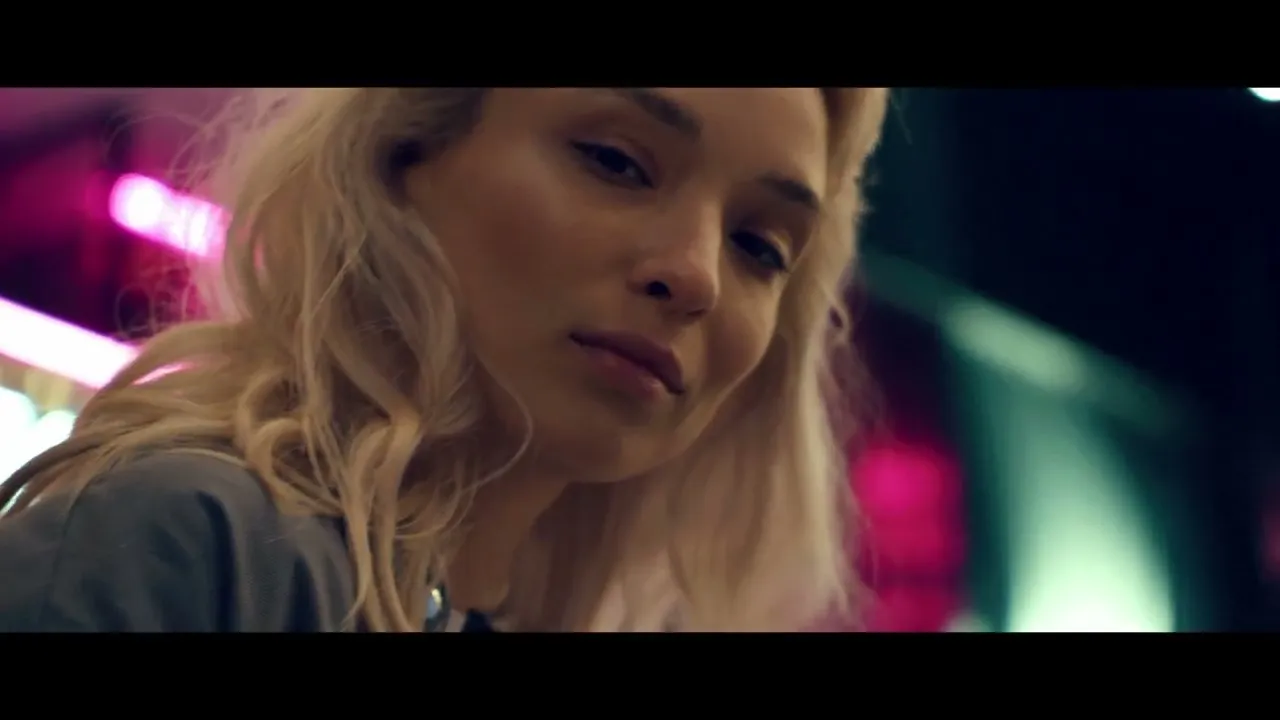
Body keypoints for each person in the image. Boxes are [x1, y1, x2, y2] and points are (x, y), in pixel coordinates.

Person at [0, 88, 889, 632]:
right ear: (404, 154)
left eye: (760, 245)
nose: (696, 275)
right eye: (618, 162)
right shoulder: (188, 544)